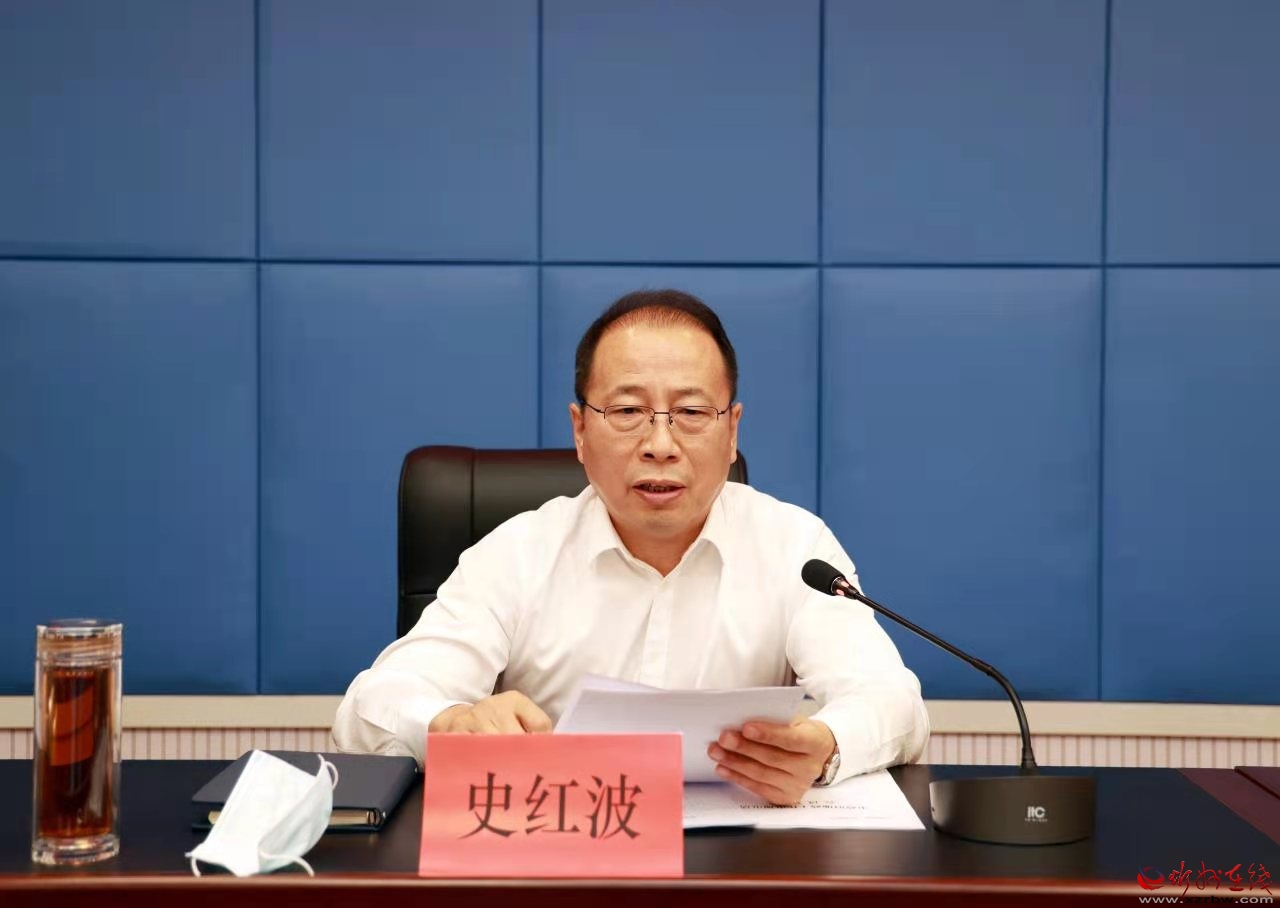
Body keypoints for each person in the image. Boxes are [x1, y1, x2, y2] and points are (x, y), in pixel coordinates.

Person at [333, 289, 929, 805]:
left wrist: (824, 746)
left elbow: (892, 700)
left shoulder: (794, 548)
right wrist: (449, 724)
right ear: (580, 430)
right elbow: (367, 710)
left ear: (732, 432)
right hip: (554, 860)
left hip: (736, 868)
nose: (660, 444)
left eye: (691, 411)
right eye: (627, 410)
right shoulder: (516, 554)